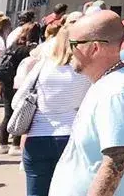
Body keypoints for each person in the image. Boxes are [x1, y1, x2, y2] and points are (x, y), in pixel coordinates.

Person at [49, 10, 124, 196]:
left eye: (74, 44)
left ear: (95, 48)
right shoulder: (107, 84)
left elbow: (116, 161)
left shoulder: (116, 90)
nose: (70, 50)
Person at [16, 25, 91, 194]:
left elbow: (17, 102)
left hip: (38, 135)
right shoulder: (85, 72)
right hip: (72, 135)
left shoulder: (42, 67)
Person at [0, 23, 40, 153]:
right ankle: (15, 145)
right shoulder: (29, 50)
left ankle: (3, 144)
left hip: (6, 82)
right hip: (19, 84)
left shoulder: (13, 46)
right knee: (20, 112)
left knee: (7, 113)